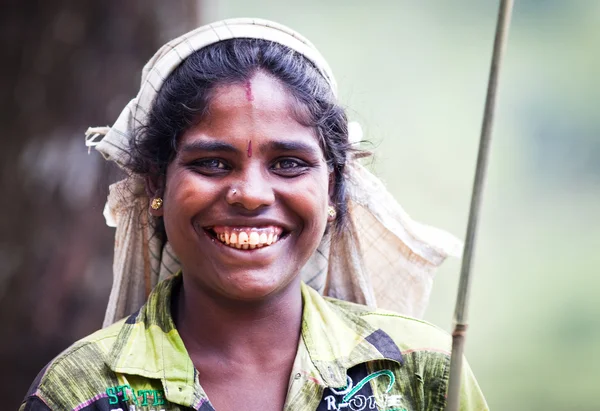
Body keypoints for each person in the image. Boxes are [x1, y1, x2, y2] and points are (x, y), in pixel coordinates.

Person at [20, 18, 487, 411]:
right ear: (157, 183)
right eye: (212, 163)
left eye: (288, 163)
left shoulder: (423, 375)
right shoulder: (80, 394)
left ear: (333, 187)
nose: (250, 194)